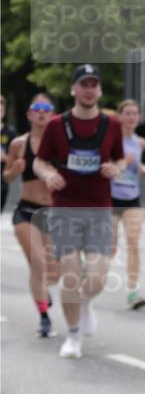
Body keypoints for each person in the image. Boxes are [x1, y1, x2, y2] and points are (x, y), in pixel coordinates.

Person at [33, 64, 125, 359]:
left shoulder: (112, 125)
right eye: (83, 84)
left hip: (100, 209)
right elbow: (39, 161)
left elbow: (121, 159)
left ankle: (84, 302)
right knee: (70, 276)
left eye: (93, 84)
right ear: (74, 89)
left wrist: (116, 168)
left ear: (99, 90)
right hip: (65, 209)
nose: (88, 90)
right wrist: (48, 174)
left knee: (98, 277)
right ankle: (73, 336)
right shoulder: (56, 126)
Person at [2, 93, 60, 337]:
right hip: (26, 211)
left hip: (54, 213)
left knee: (53, 269)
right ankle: (44, 316)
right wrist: (14, 170)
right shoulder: (19, 144)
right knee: (37, 263)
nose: (41, 112)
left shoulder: (61, 144)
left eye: (46, 108)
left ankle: (43, 290)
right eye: (37, 108)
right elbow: (7, 177)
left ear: (52, 114)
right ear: (29, 114)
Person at [111, 99, 145, 310]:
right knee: (109, 247)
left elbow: (136, 162)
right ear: (119, 117)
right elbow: (103, 164)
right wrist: (119, 163)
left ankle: (133, 291)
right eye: (127, 113)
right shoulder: (111, 140)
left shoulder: (140, 142)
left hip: (132, 197)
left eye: (135, 113)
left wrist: (141, 169)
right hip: (110, 198)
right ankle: (86, 265)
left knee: (133, 243)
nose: (131, 117)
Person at [1, 94, 17, 213]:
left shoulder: (10, 132)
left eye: (2, 106)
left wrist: (4, 157)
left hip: (2, 183)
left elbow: (16, 160)